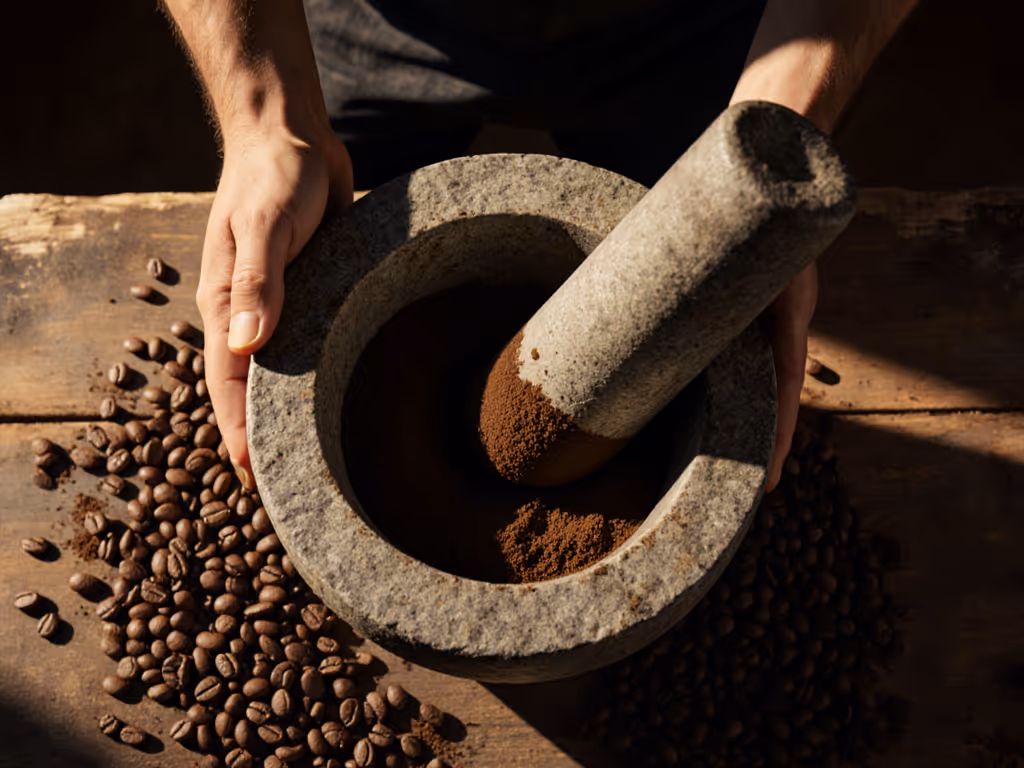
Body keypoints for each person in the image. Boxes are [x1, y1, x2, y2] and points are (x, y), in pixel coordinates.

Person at [161, 0, 917, 492]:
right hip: (374, 15)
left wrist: (779, 123)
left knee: (689, 282)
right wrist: (265, 107)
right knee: (320, 264)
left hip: (707, 25)